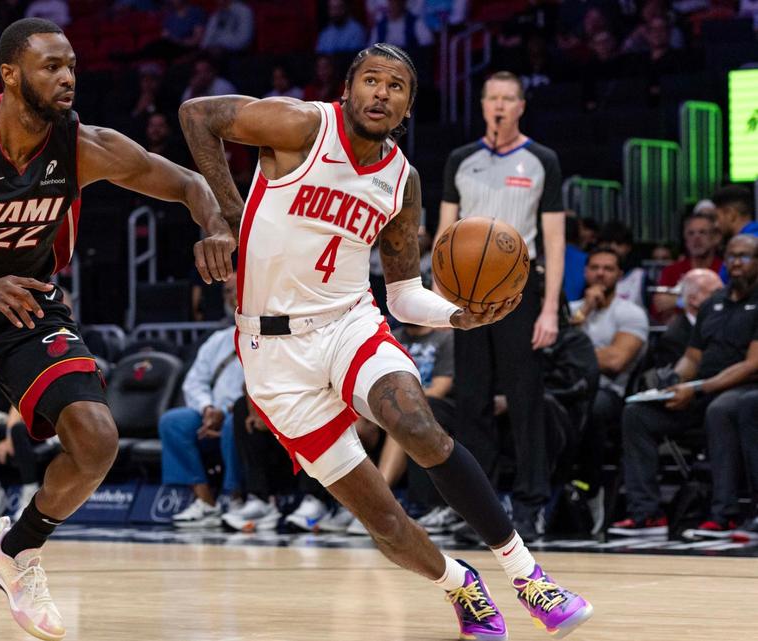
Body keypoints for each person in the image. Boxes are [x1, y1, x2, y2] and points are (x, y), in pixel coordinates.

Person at [180, 43, 591, 641]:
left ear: (406, 108)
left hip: (350, 323)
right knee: (387, 523)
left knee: (418, 425)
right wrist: (226, 215)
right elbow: (197, 115)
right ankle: (459, 583)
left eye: (396, 87)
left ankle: (529, 578)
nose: (381, 93)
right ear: (347, 90)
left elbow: (403, 296)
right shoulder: (302, 126)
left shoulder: (403, 181)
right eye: (370, 80)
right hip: (273, 358)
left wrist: (459, 317)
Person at [0, 18, 235, 641]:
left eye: (71, 67)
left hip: (28, 302)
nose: (66, 78)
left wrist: (215, 225)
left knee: (96, 439)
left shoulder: (86, 145)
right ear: (9, 75)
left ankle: (14, 549)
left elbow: (190, 184)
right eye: (50, 67)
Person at [437, 70, 565, 538]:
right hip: (468, 291)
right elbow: (445, 233)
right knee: (471, 400)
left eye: (509, 98)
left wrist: (550, 308)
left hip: (520, 288)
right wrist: (438, 298)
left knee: (524, 398)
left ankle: (532, 503)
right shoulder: (461, 159)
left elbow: (554, 239)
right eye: (493, 97)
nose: (500, 105)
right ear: (483, 104)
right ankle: (482, 507)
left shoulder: (541, 160)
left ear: (521, 106)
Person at [610, 235, 758, 537]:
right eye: (731, 256)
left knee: (722, 408)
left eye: (744, 256)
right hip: (701, 390)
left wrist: (699, 388)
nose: (736, 262)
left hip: (742, 390)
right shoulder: (713, 303)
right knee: (637, 414)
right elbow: (692, 357)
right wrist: (675, 382)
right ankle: (646, 514)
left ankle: (724, 515)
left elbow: (752, 364)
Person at [568, 246, 649, 510]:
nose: (601, 274)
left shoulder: (630, 313)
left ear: (620, 275)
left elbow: (615, 361)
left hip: (609, 392)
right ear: (585, 271)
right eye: (595, 268)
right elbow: (548, 351)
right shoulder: (571, 310)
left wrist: (571, 353)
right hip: (566, 388)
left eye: (608, 269)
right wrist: (587, 309)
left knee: (593, 406)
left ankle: (590, 486)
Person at [161, 279, 244, 527]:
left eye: (238, 288)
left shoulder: (272, 337)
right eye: (228, 291)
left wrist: (228, 409)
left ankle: (235, 497)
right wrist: (208, 408)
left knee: (234, 421)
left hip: (241, 412)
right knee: (172, 422)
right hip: (213, 411)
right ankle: (206, 501)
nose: (233, 295)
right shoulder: (218, 339)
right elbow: (194, 382)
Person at [652, 211, 721, 320]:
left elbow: (725, 305)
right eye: (691, 233)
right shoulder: (671, 271)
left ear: (715, 238)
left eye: (702, 232)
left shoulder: (725, 269)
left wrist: (678, 301)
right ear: (685, 239)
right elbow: (659, 307)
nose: (696, 238)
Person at [649, 268, 722, 369]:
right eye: (716, 293)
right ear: (693, 299)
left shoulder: (723, 323)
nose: (723, 297)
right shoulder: (674, 338)